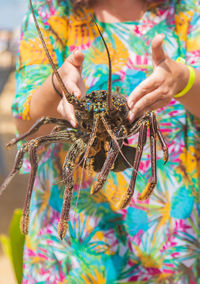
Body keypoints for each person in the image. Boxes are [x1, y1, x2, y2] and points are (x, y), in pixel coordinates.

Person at [13, 0, 200, 282]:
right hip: (69, 244)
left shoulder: (189, 10)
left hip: (170, 238)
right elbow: (26, 124)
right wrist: (56, 86)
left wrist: (183, 80)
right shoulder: (49, 10)